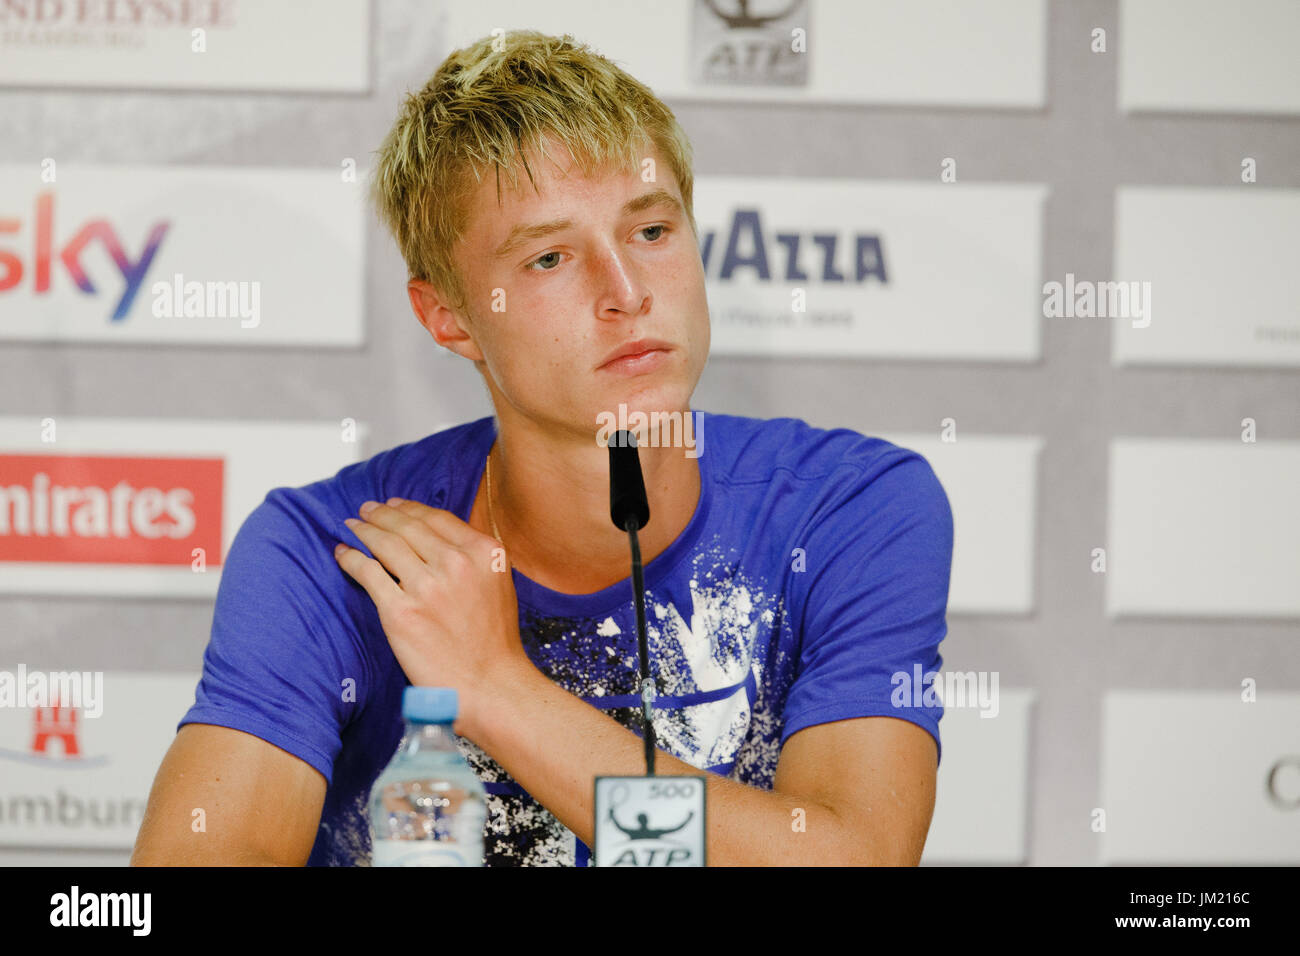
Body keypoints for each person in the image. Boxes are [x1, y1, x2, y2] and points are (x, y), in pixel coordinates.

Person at [131, 29, 953, 867]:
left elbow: (854, 857)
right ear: (448, 315)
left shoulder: (853, 507)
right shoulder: (339, 553)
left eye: (652, 232)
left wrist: (495, 689)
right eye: (551, 257)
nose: (627, 293)